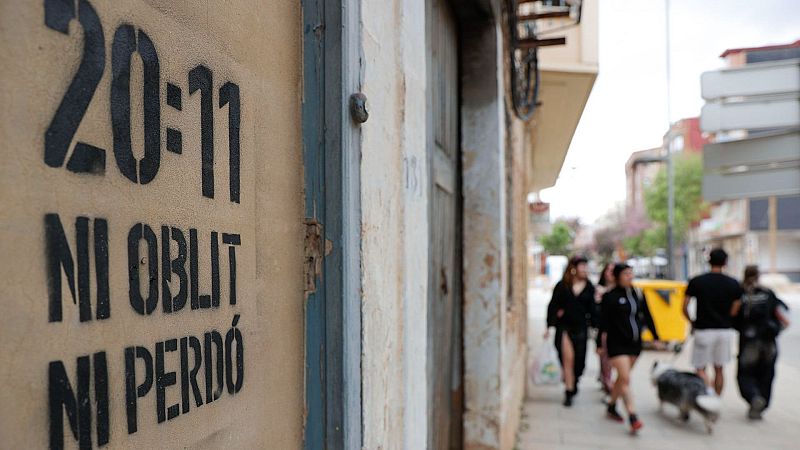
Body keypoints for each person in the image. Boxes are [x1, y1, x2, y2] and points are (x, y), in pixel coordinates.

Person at [600, 263, 659, 432]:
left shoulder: (638, 293)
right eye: (626, 274)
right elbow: (604, 322)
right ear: (618, 277)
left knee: (621, 378)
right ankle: (633, 416)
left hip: (634, 344)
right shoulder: (610, 296)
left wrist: (655, 336)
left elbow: (647, 315)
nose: (630, 277)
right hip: (616, 344)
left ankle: (611, 405)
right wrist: (599, 344)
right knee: (625, 378)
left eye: (631, 274)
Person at [732, 265, 790, 420]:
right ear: (758, 276)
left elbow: (733, 317)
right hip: (769, 342)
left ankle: (753, 397)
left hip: (749, 342)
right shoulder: (768, 293)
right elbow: (784, 316)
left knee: (745, 374)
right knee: (767, 374)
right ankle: (761, 403)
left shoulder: (740, 293)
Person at [683, 248, 743, 395]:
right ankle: (716, 399)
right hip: (724, 331)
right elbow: (736, 309)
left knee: (700, 368)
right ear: (725, 262)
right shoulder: (733, 283)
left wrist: (692, 322)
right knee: (719, 368)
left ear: (709, 261)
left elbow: (684, 306)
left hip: (703, 330)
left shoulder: (697, 281)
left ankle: (707, 393)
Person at [545, 256, 597, 407]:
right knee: (567, 360)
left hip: (581, 328)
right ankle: (568, 391)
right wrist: (549, 324)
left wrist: (596, 326)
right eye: (582, 266)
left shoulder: (589, 287)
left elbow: (593, 309)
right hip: (565, 327)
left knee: (579, 362)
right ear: (573, 268)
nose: (584, 269)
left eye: (586, 266)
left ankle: (574, 381)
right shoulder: (563, 285)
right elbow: (553, 305)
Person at [594, 262, 615, 397]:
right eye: (608, 270)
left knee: (610, 357)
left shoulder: (620, 290)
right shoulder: (599, 290)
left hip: (615, 328)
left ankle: (606, 378)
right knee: (604, 356)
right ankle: (607, 381)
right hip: (602, 327)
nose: (610, 273)